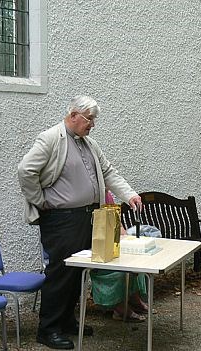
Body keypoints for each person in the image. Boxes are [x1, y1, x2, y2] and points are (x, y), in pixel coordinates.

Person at [18, 95, 142, 350]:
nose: (92, 124)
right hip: (61, 220)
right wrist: (40, 200)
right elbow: (25, 170)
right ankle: (48, 329)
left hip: (87, 217)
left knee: (78, 272)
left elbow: (108, 172)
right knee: (61, 273)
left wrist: (129, 194)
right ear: (73, 115)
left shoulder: (89, 144)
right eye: (89, 119)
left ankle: (67, 321)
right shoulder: (51, 138)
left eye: (94, 119)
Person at [90, 190, 148, 322]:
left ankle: (134, 300)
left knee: (135, 260)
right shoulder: (88, 198)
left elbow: (117, 222)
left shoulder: (107, 195)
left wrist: (126, 239)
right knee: (117, 270)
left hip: (111, 242)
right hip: (97, 245)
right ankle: (119, 308)